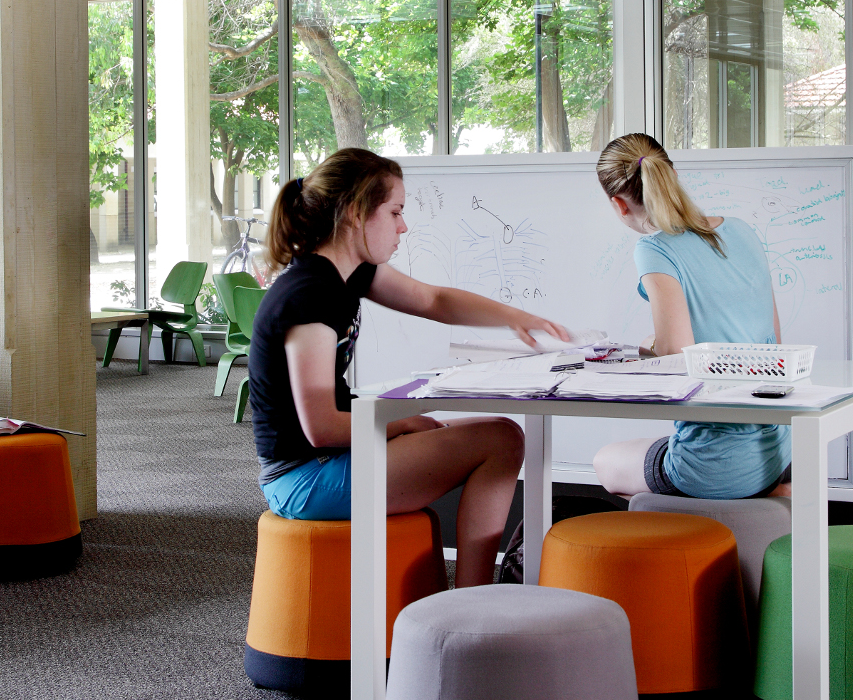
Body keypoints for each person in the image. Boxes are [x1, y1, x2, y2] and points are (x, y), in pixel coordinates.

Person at [248, 148, 569, 587]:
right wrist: (401, 423)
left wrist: (517, 317)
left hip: (329, 461)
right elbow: (320, 428)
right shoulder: (310, 294)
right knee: (499, 439)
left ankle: (473, 596)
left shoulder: (350, 274)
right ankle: (473, 600)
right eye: (395, 211)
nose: (404, 226)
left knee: (494, 433)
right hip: (305, 477)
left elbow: (432, 300)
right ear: (357, 213)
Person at [590, 133, 793, 501]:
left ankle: (683, 535)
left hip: (715, 463)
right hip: (779, 450)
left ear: (619, 205)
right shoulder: (742, 230)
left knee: (605, 462)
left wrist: (649, 344)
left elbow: (674, 353)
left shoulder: (654, 248)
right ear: (674, 173)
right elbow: (773, 341)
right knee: (652, 448)